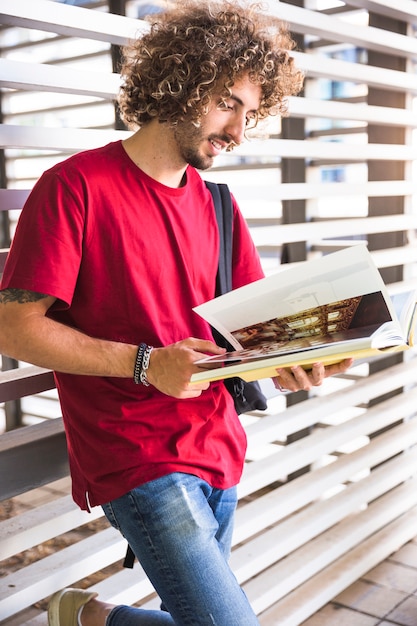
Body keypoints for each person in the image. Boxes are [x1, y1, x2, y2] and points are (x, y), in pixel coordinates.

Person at [0, 2, 353, 625]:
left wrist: (299, 360)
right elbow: (13, 326)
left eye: (251, 112)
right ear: (180, 81)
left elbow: (251, 336)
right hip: (134, 455)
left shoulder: (219, 206)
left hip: (219, 446)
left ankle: (87, 617)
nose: (238, 132)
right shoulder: (74, 187)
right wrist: (142, 364)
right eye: (226, 103)